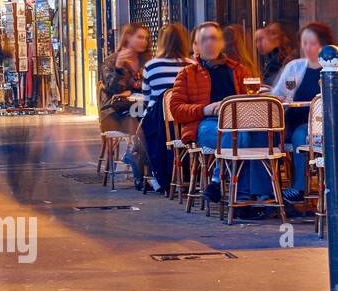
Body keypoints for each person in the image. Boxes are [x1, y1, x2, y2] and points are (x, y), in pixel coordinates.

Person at [168, 21, 270, 206]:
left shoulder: (238, 70)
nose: (209, 43)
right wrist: (204, 109)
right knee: (239, 136)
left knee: (254, 135)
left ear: (221, 43)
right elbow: (176, 109)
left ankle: (219, 183)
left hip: (240, 123)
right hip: (205, 124)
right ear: (196, 46)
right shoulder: (186, 74)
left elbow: (251, 100)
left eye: (214, 38)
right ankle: (245, 197)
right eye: (204, 39)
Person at [270, 21, 333, 202]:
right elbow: (277, 94)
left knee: (300, 134)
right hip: (289, 121)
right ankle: (267, 191)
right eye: (304, 43)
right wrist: (280, 99)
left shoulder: (331, 70)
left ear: (323, 45)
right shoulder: (294, 67)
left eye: (312, 43)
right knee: (263, 136)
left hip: (318, 125)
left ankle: (298, 188)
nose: (307, 47)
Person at [137, 23, 193, 192]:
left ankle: (153, 175)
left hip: (159, 125)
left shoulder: (151, 66)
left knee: (140, 130)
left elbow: (147, 99)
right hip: (186, 122)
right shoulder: (192, 66)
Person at [99, 22, 149, 136]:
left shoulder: (146, 61)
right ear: (128, 37)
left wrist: (130, 91)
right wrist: (118, 68)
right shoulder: (112, 61)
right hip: (115, 110)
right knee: (137, 119)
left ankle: (138, 145)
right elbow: (111, 89)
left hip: (140, 107)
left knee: (152, 118)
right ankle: (138, 145)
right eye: (140, 37)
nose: (144, 41)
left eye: (146, 38)